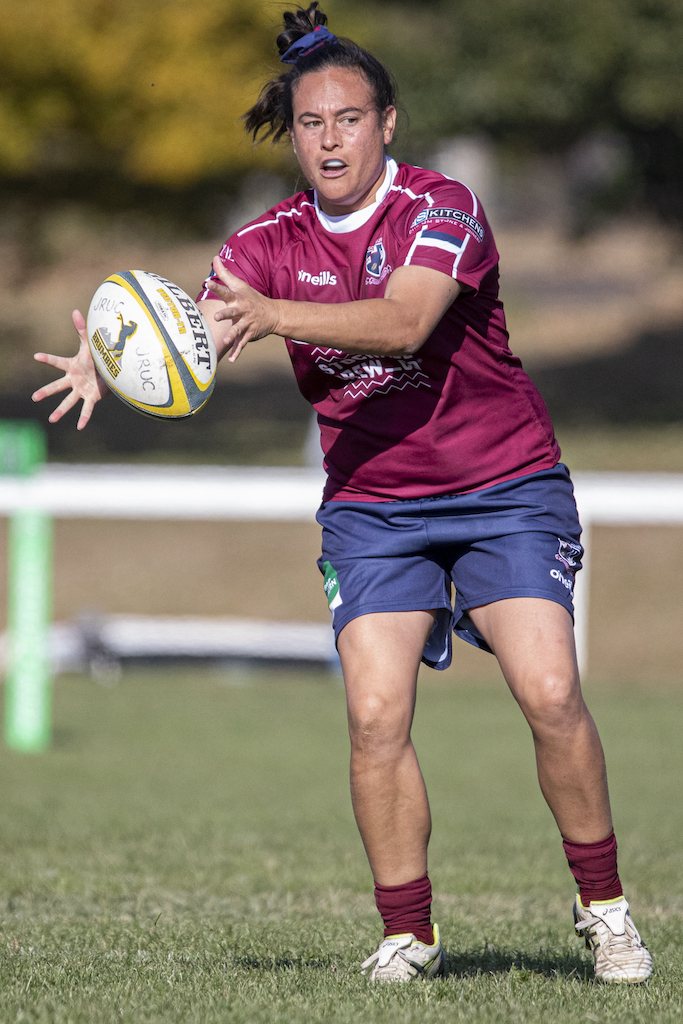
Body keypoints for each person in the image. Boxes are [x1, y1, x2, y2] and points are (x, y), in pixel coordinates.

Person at [32, 2, 652, 985]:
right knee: (372, 714)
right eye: (310, 123)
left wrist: (277, 314)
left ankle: (604, 909)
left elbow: (405, 321)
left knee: (547, 691)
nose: (329, 140)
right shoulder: (263, 244)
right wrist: (116, 364)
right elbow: (205, 332)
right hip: (372, 506)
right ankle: (409, 933)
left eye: (349, 120)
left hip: (503, 485)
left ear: (386, 123)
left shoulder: (441, 208)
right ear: (292, 134)